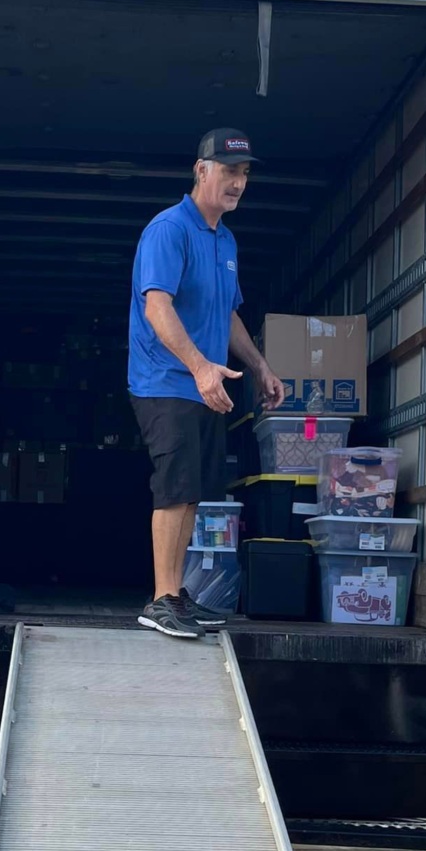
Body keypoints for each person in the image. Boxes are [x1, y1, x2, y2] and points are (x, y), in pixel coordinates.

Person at [128, 128, 285, 639]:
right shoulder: (169, 229)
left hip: (203, 385)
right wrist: (199, 365)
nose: (237, 182)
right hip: (165, 381)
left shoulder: (224, 239)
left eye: (244, 174)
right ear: (201, 170)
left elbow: (228, 313)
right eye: (228, 171)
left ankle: (175, 593)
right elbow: (157, 307)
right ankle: (160, 599)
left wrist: (260, 366)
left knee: (193, 490)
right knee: (174, 488)